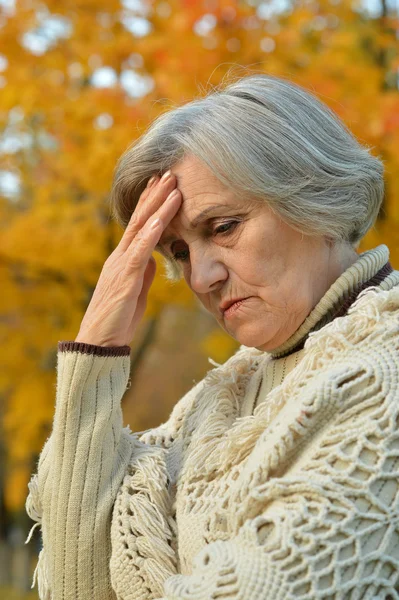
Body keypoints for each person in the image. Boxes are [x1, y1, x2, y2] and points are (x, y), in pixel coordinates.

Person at [25, 73, 399, 600]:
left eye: (223, 227)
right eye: (179, 252)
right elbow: (75, 588)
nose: (201, 278)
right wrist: (95, 357)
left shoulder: (384, 375)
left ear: (313, 196)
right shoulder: (213, 406)